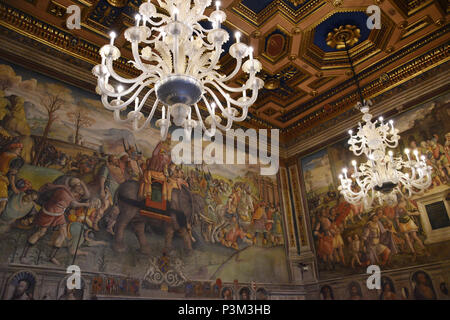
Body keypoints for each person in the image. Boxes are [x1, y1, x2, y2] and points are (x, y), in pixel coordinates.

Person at [20, 178, 96, 265]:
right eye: (79, 186)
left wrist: (82, 182)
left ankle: (51, 257)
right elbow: (73, 204)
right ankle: (23, 256)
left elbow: (87, 195)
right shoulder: (63, 191)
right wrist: (85, 204)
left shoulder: (73, 193)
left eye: (81, 187)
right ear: (73, 186)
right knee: (40, 233)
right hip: (48, 213)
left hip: (59, 214)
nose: (80, 189)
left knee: (63, 233)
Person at [0, 142, 24, 215]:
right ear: (13, 149)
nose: (20, 151)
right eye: (19, 149)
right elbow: (12, 175)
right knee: (2, 204)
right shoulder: (15, 159)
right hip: (1, 180)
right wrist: (14, 188)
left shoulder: (3, 154)